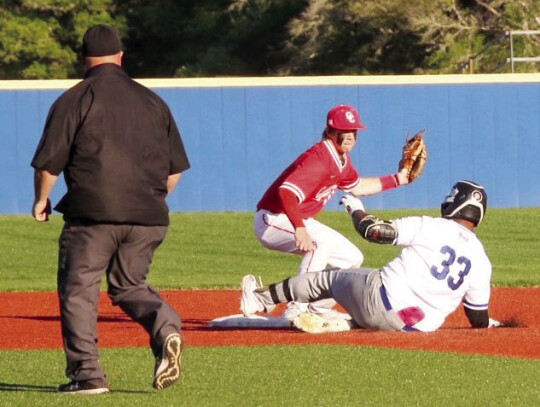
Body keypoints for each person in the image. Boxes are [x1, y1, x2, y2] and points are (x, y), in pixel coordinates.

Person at [31, 25, 190, 394]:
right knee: (129, 284)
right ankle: (166, 327)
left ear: (83, 59)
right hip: (148, 215)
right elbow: (175, 171)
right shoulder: (154, 102)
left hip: (93, 215)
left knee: (79, 290)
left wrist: (41, 200)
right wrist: (151, 200)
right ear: (121, 57)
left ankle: (87, 375)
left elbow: (48, 165)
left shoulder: (75, 98)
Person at [242, 180, 500, 333]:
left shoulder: (432, 226)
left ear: (456, 203)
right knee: (361, 296)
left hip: (377, 299)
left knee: (327, 279)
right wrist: (490, 323)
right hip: (413, 330)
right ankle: (344, 321)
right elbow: (477, 317)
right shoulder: (481, 259)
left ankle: (260, 299)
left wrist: (357, 209)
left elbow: (374, 231)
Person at [254, 104, 415, 321]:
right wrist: (300, 228)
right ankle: (297, 307)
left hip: (295, 218)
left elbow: (358, 187)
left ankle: (317, 309)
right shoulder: (320, 159)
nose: (350, 136)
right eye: (343, 131)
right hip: (273, 218)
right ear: (330, 132)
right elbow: (287, 193)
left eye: (353, 131)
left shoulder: (341, 160)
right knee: (319, 244)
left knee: (351, 259)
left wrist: (399, 179)